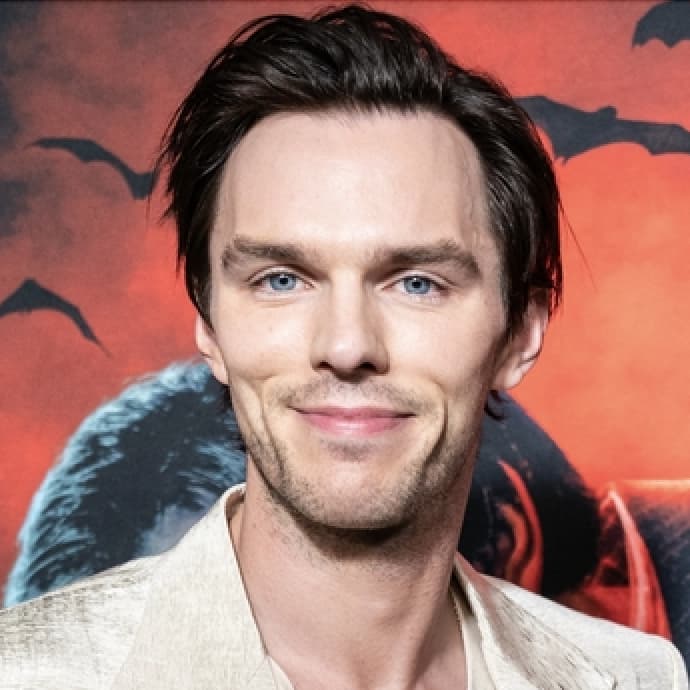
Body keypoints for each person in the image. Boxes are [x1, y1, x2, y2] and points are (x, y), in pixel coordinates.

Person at [1, 5, 686, 689]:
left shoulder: (639, 677)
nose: (347, 344)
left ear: (522, 332)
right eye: (281, 279)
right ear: (209, 324)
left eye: (417, 282)